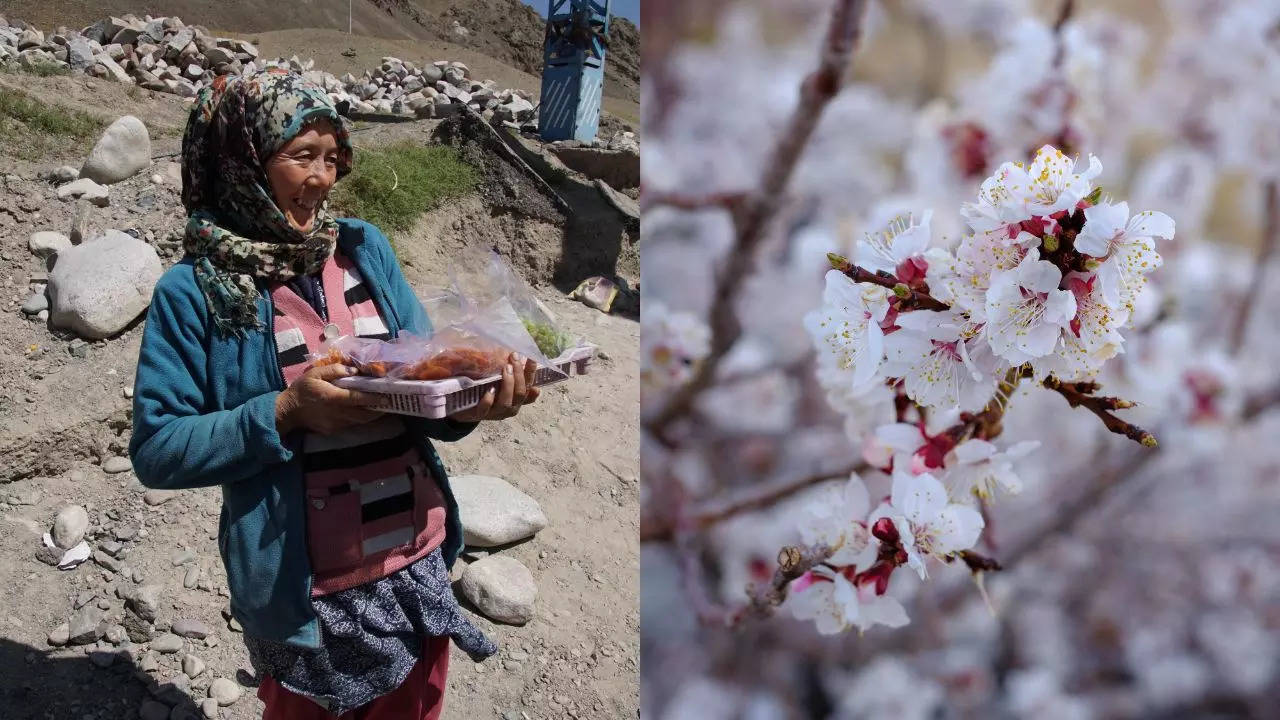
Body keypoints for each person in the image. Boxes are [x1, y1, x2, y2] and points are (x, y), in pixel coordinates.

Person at [129, 68, 536, 719]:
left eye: (331, 157)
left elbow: (425, 376)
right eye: (301, 156)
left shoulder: (363, 251)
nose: (322, 178)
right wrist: (287, 411)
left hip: (415, 556)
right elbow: (158, 448)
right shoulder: (194, 292)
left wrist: (472, 399)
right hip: (308, 594)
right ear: (243, 159)